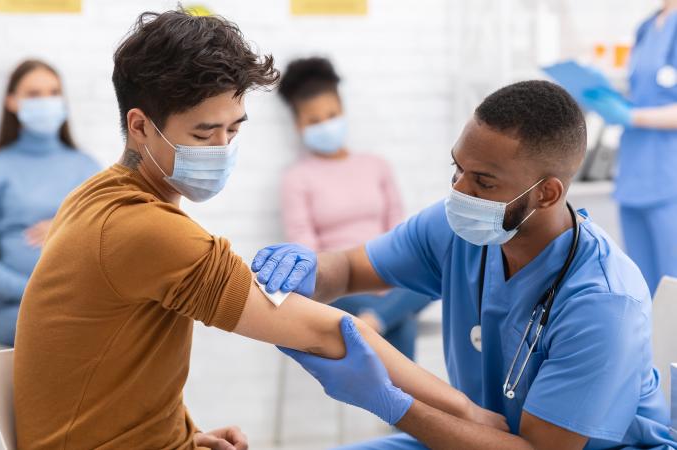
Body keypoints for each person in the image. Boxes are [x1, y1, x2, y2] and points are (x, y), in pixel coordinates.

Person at [12, 10, 507, 450]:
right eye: (204, 133)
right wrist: (467, 413)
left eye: (235, 128)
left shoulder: (96, 195)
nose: (223, 148)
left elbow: (103, 365)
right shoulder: (144, 229)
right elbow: (325, 329)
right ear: (140, 126)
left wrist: (181, 434)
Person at [254, 80, 677, 449]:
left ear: (547, 194)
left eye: (484, 181)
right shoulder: (455, 228)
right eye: (457, 168)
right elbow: (348, 269)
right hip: (479, 437)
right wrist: (309, 271)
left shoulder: (603, 302)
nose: (459, 190)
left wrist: (392, 403)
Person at [275, 56, 432, 360]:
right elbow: (306, 250)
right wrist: (355, 280)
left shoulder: (376, 166)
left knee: (434, 275)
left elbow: (398, 232)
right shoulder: (296, 179)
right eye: (314, 121)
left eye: (331, 115)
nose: (325, 125)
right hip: (337, 287)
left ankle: (371, 323)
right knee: (403, 320)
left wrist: (386, 278)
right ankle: (412, 399)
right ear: (299, 125)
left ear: (343, 112)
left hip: (388, 274)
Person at [0, 59, 100, 346]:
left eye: (54, 92)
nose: (47, 102)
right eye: (34, 94)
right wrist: (34, 291)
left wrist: (63, 226)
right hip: (15, 309)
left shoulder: (87, 167)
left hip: (79, 303)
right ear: (12, 102)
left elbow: (108, 241)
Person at [581, 1, 677, 294]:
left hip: (669, 175)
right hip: (635, 172)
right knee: (642, 287)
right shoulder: (647, 27)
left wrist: (632, 116)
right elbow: (642, 92)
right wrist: (606, 100)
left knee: (673, 283)